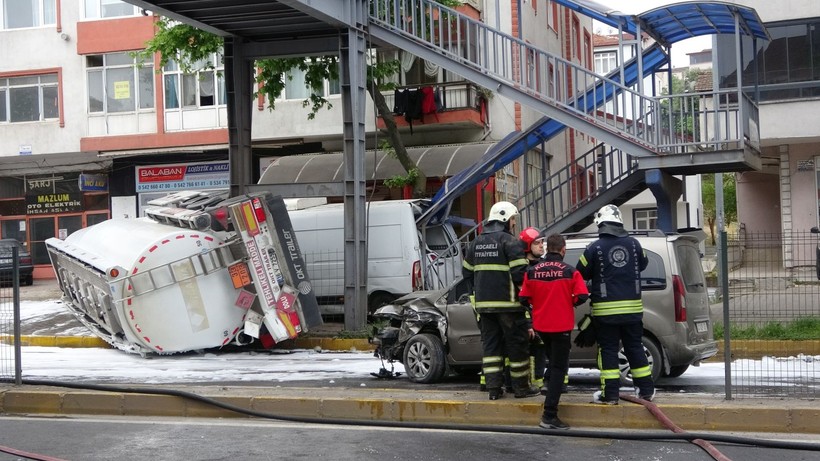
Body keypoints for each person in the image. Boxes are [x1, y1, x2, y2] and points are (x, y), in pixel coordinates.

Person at [576, 204, 654, 405]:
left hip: (605, 313)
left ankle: (610, 395)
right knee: (635, 347)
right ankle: (645, 391)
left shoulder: (594, 248)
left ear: (600, 223)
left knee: (609, 350)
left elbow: (580, 272)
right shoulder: (635, 244)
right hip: (633, 311)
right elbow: (644, 264)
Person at [463, 201, 539, 400]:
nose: (514, 223)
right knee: (517, 347)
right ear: (505, 219)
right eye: (513, 219)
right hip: (510, 307)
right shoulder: (510, 242)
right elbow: (520, 275)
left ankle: (494, 389)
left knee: (491, 348)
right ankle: (521, 388)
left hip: (484, 307)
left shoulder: (476, 242)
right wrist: (529, 300)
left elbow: (466, 272)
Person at [520, 233, 589, 430]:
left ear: (547, 248)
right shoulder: (570, 271)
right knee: (559, 368)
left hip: (541, 326)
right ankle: (549, 415)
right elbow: (583, 296)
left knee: (553, 362)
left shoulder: (532, 271)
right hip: (561, 326)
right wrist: (570, 302)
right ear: (563, 249)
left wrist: (538, 305)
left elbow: (524, 299)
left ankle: (548, 390)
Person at [518, 227, 547, 391]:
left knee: (541, 351)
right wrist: (528, 322)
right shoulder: (521, 269)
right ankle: (530, 383)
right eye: (537, 243)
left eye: (542, 242)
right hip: (527, 320)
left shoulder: (543, 265)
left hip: (543, 318)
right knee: (530, 353)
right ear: (527, 246)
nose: (542, 246)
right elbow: (521, 299)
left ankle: (538, 382)